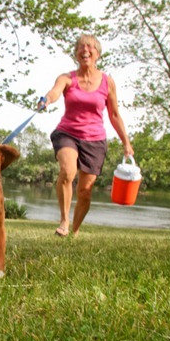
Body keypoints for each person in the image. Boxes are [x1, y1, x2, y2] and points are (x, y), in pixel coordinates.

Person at [38, 34, 134, 237]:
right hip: (68, 133)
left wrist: (126, 142)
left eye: (90, 47)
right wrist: (47, 100)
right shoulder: (67, 78)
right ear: (76, 53)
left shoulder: (108, 82)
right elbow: (55, 91)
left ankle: (75, 230)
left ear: (97, 54)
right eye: (81, 47)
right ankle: (64, 222)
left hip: (95, 139)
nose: (85, 50)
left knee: (85, 192)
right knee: (67, 171)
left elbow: (114, 114)